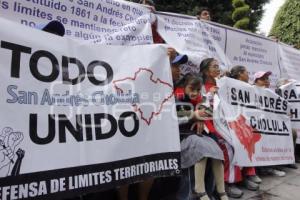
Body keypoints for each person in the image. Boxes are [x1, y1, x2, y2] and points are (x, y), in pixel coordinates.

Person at [174, 73, 228, 200]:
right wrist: (195, 115)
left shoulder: (200, 99)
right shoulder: (177, 98)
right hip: (182, 137)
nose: (195, 93)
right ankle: (200, 190)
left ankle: (221, 191)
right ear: (184, 86)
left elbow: (208, 112)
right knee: (201, 149)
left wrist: (200, 117)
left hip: (196, 135)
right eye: (191, 89)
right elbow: (178, 116)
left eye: (198, 90)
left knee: (216, 149)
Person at [199, 58, 246, 198]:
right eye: (214, 67)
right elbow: (203, 109)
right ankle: (227, 183)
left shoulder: (223, 85)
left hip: (228, 124)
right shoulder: (201, 87)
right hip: (212, 126)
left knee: (241, 141)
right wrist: (211, 95)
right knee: (227, 147)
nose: (218, 69)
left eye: (218, 66)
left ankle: (245, 176)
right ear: (206, 71)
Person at [226, 66, 263, 190]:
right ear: (240, 74)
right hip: (230, 124)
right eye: (247, 72)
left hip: (243, 123)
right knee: (238, 142)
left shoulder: (250, 89)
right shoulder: (228, 86)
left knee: (253, 137)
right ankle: (233, 181)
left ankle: (248, 174)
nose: (248, 74)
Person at [254, 71, 287, 177]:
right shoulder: (252, 92)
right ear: (256, 81)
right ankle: (266, 168)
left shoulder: (271, 94)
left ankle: (274, 164)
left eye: (267, 79)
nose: (266, 81)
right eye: (263, 79)